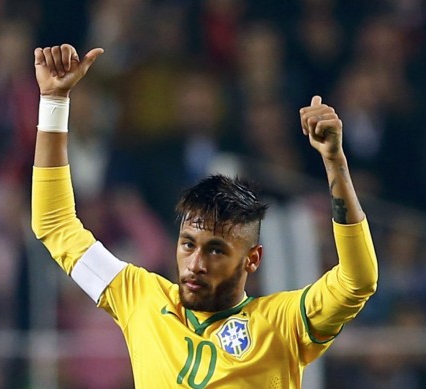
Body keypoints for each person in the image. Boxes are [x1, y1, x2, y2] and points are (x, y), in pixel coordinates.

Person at [31, 44, 378, 388]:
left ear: (251, 259)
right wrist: (54, 102)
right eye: (187, 244)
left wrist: (334, 162)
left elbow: (358, 280)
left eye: (215, 249)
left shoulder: (282, 323)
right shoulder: (142, 299)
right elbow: (54, 223)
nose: (195, 262)